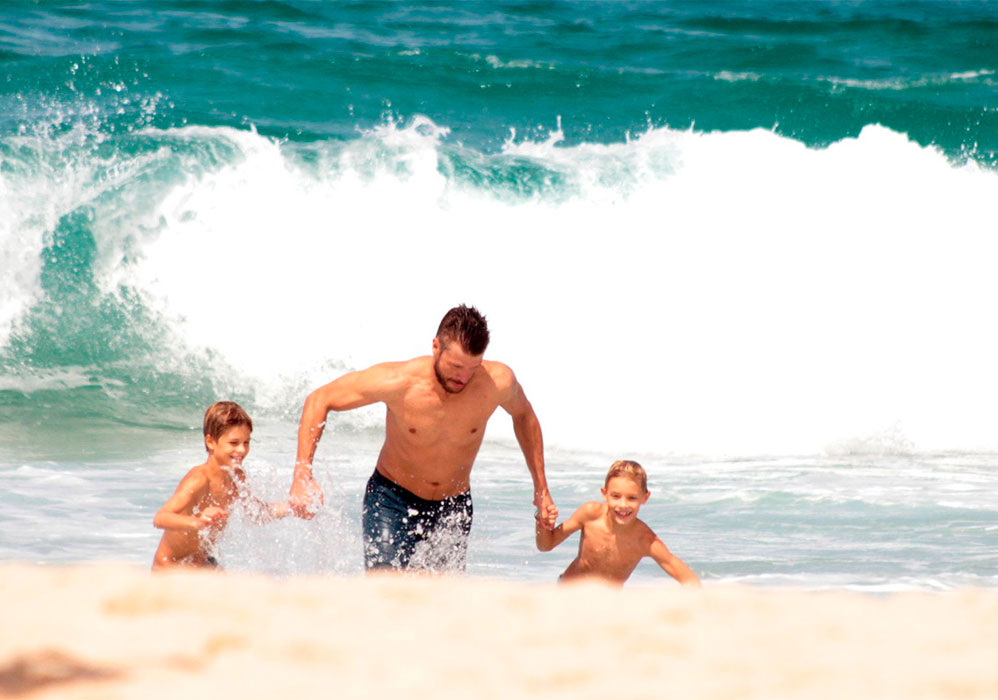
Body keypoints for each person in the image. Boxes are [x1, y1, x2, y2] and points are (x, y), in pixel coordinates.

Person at [289, 304, 558, 572]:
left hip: (453, 507)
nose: (463, 377)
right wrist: (302, 474)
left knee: (436, 602)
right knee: (385, 590)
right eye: (455, 366)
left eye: (472, 368)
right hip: (391, 499)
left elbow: (525, 416)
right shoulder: (399, 381)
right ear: (435, 347)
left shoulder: (497, 382)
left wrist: (541, 489)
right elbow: (319, 399)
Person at [152, 401, 291, 570]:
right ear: (211, 442)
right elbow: (161, 518)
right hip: (171, 567)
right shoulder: (199, 479)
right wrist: (197, 522)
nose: (242, 450)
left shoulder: (237, 477)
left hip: (203, 563)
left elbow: (256, 513)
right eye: (234, 443)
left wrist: (292, 507)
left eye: (246, 443)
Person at [536, 460, 700, 587]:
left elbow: (689, 580)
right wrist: (542, 523)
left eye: (632, 498)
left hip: (606, 608)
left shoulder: (644, 540)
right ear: (604, 494)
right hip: (566, 594)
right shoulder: (590, 514)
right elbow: (545, 545)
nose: (623, 505)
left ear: (645, 497)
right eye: (615, 496)